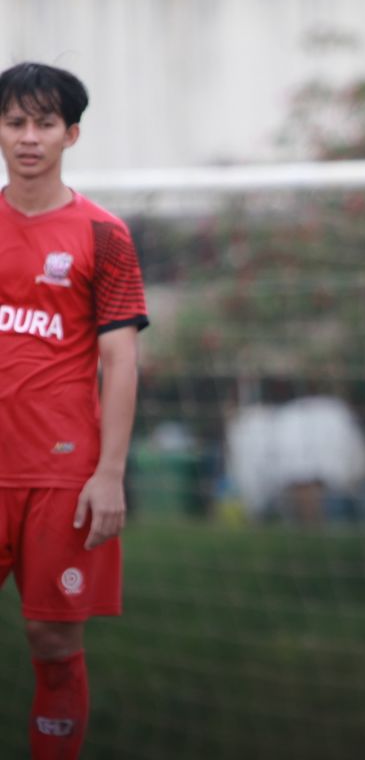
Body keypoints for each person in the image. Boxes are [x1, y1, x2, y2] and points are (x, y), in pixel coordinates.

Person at [0, 62, 148, 759]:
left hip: (63, 474)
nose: (29, 137)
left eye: (44, 123)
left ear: (71, 132)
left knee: (52, 638)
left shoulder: (103, 235)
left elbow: (120, 360)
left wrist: (110, 473)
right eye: (15, 122)